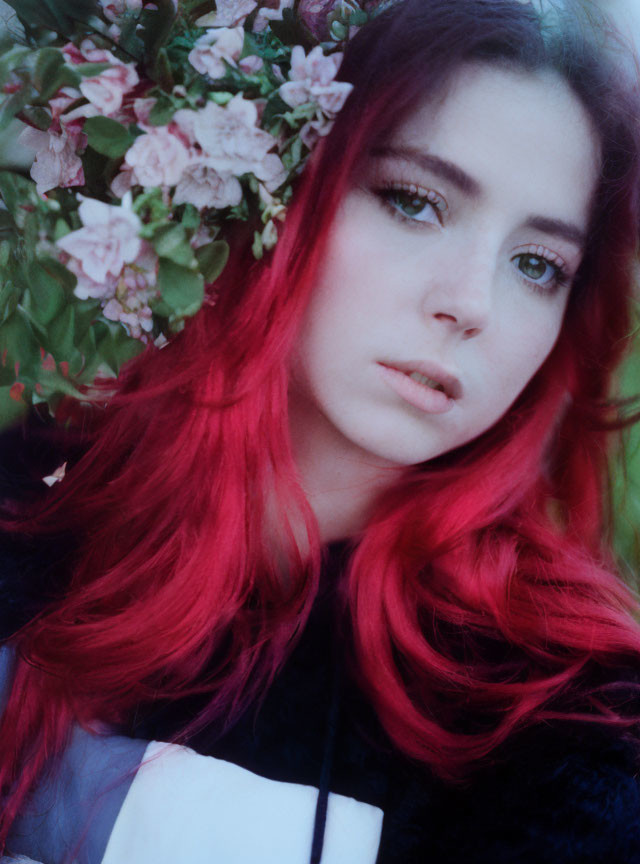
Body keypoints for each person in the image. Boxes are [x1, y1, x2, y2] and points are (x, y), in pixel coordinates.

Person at [1, 0, 640, 861]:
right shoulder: (27, 507)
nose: (473, 304)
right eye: (415, 202)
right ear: (264, 186)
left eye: (538, 265)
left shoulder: (566, 713)